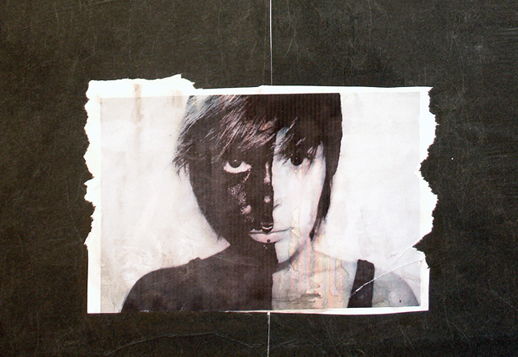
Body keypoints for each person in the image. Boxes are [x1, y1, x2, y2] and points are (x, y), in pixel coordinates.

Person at [122, 92, 418, 311]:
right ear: (204, 173)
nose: (269, 201)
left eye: (297, 159)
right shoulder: (157, 299)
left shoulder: (383, 296)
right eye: (236, 162)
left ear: (329, 164)